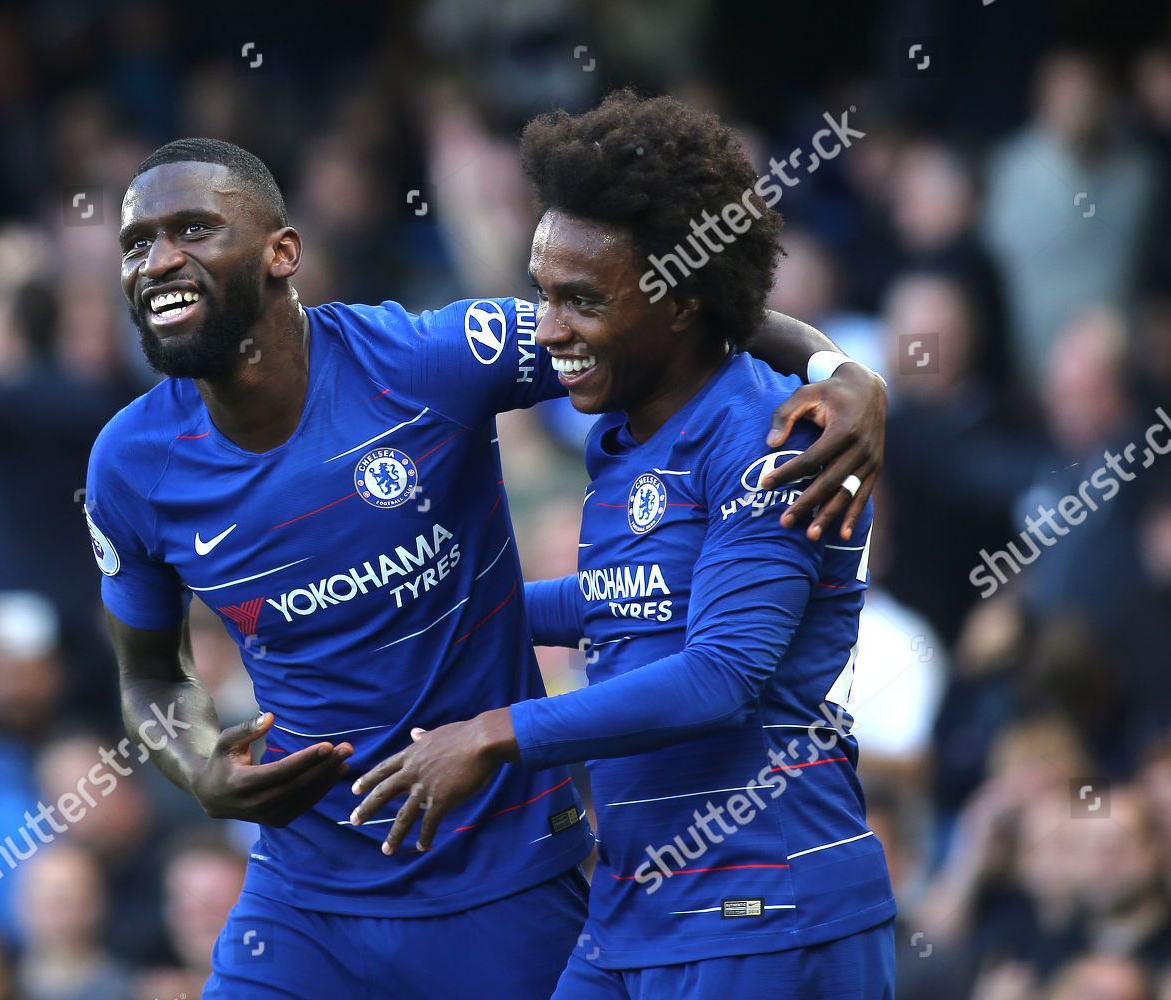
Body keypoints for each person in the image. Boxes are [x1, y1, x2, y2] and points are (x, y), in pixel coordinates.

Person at [87, 125, 887, 998]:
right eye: (136, 243)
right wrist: (200, 760)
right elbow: (151, 677)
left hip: (520, 877)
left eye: (191, 230)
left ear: (283, 252)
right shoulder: (129, 467)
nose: (158, 259)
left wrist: (839, 369)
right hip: (304, 895)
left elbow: (654, 310)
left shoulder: (431, 361)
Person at [351, 93, 894, 998]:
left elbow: (720, 675)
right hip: (637, 907)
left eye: (580, 301)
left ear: (679, 305)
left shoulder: (772, 435)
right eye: (541, 295)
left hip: (762, 905)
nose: (548, 329)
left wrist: (490, 735)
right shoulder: (627, 431)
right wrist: (433, 612)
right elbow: (630, 600)